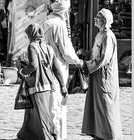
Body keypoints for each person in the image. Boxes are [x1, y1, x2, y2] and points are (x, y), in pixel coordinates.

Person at [16, 23, 68, 140]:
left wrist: (22, 71)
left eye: (28, 34)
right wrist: (62, 86)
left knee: (41, 116)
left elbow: (33, 66)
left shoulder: (32, 47)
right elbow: (56, 68)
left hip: (37, 86)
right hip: (48, 86)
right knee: (33, 113)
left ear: (32, 33)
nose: (28, 36)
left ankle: (48, 137)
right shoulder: (49, 48)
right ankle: (27, 135)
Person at [41, 0, 83, 139]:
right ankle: (57, 136)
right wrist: (78, 61)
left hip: (45, 68)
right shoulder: (59, 25)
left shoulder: (46, 21)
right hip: (57, 67)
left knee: (49, 103)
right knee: (58, 104)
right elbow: (66, 50)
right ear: (64, 11)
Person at [80, 8, 123, 140]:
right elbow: (95, 54)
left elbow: (104, 58)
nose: (95, 19)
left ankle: (110, 135)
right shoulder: (100, 34)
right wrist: (85, 53)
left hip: (104, 77)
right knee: (97, 105)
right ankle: (99, 133)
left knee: (105, 106)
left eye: (97, 17)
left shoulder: (108, 36)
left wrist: (86, 65)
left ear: (104, 20)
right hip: (96, 76)